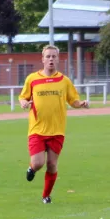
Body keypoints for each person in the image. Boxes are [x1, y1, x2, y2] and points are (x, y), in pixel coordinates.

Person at [19, 45, 89, 204]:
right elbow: (23, 97)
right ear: (42, 59)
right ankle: (31, 168)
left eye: (54, 56)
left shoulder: (64, 81)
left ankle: (46, 196)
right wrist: (23, 103)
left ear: (58, 59)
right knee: (38, 163)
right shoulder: (32, 79)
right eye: (48, 56)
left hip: (57, 130)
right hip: (37, 129)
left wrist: (81, 103)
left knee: (51, 164)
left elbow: (73, 101)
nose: (51, 59)